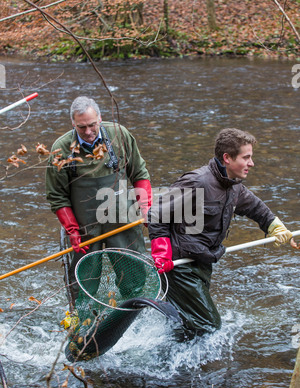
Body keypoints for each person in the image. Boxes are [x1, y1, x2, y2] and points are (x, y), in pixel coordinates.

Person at [148, 128, 299, 339]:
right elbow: (156, 213)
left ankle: (168, 363)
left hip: (203, 261)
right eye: (246, 157)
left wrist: (275, 226)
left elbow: (255, 207)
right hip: (179, 266)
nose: (251, 163)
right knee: (210, 326)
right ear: (227, 158)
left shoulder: (233, 185)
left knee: (188, 324)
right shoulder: (197, 182)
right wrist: (161, 251)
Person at [46, 96, 152, 306]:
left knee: (133, 276)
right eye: (81, 127)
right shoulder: (61, 149)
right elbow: (57, 196)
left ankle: (134, 310)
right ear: (73, 123)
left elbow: (139, 173)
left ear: (100, 118)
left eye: (92, 125)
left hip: (123, 220)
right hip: (85, 228)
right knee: (84, 282)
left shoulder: (119, 135)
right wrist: (72, 230)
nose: (87, 131)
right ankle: (84, 320)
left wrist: (144, 206)